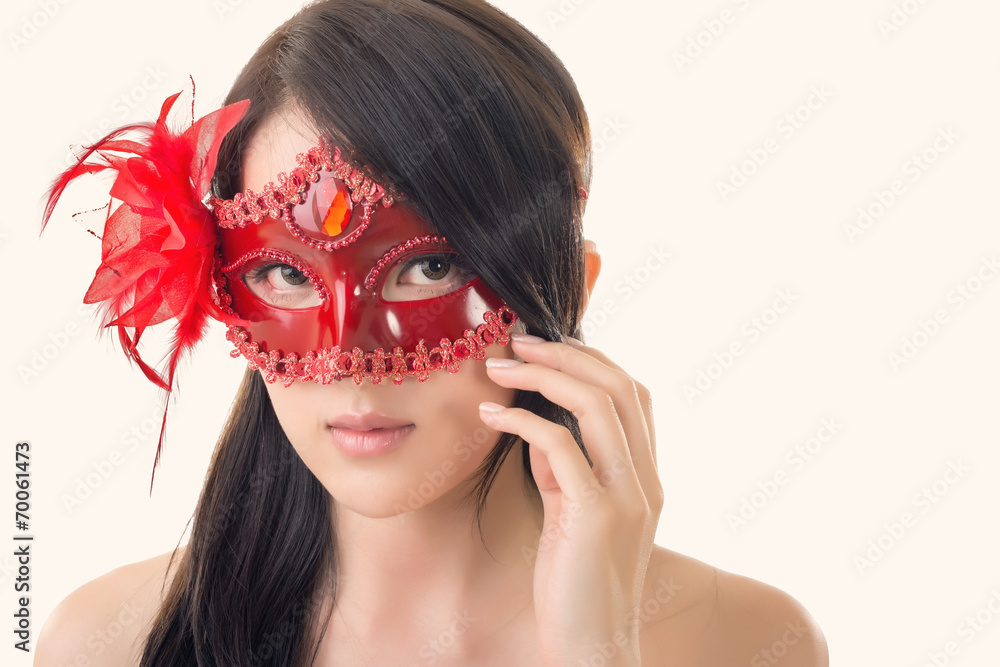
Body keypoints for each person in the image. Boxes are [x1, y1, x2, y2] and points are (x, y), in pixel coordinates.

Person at [35, 1, 828, 665]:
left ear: (567, 289)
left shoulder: (749, 641)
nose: (352, 364)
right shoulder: (105, 642)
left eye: (432, 268)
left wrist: (597, 649)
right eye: (286, 272)